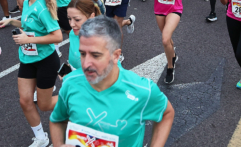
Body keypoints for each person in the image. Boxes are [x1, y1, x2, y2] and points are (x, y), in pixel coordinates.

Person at [49, 16, 175, 147]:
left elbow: (166, 113)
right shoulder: (70, 83)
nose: (86, 64)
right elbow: (58, 120)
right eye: (82, 54)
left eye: (95, 55)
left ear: (116, 56)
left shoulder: (142, 91)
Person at [0, 0, 63, 147]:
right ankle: (41, 138)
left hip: (46, 60)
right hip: (27, 58)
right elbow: (27, 25)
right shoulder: (27, 2)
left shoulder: (42, 7)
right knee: (25, 101)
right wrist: (11, 21)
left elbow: (57, 36)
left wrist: (28, 39)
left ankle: (77, 100)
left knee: (45, 105)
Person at [144, 0, 193, 83]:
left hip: (174, 9)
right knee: (168, 38)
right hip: (159, 10)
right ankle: (173, 54)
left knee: (165, 39)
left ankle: (170, 67)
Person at [66, 0, 101, 70]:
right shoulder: (73, 33)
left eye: (77, 20)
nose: (71, 24)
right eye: (69, 19)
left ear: (91, 17)